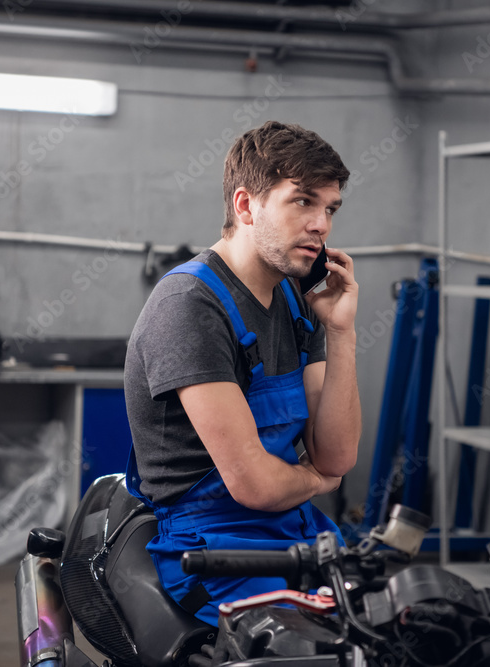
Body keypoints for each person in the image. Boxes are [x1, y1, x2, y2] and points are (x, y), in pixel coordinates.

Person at [123, 120, 361, 626]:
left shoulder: (301, 302)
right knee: (296, 650)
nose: (321, 224)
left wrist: (340, 333)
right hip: (210, 546)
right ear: (246, 205)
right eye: (302, 202)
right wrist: (318, 478)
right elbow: (253, 484)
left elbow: (338, 455)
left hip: (296, 531)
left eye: (330, 209)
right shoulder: (191, 305)